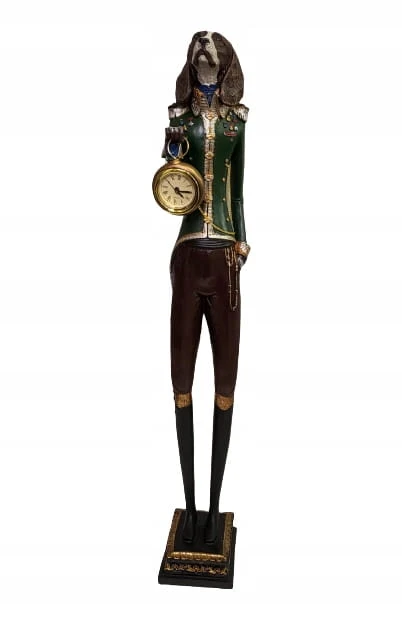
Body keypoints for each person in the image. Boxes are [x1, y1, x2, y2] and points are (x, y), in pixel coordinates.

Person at [163, 31, 250, 545]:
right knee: (181, 377)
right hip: (188, 249)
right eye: (199, 52)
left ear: (225, 63)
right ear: (192, 64)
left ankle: (214, 508)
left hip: (225, 259)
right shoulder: (179, 118)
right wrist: (172, 151)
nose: (206, 56)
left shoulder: (238, 122)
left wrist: (242, 239)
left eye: (213, 51)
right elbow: (171, 180)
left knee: (225, 379)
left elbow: (237, 190)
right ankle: (192, 507)